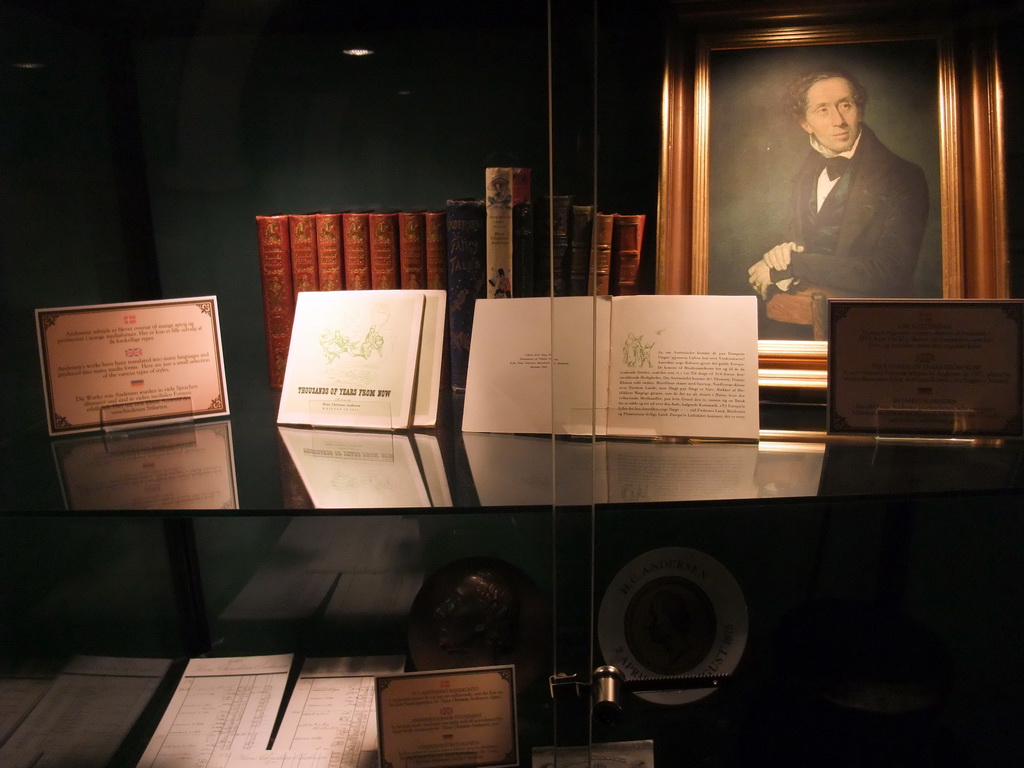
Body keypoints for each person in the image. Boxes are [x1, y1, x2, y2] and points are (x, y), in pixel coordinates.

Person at [747, 66, 929, 314]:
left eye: (845, 105)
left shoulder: (904, 176)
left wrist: (791, 266)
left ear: (860, 110)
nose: (838, 121)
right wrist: (782, 254)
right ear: (805, 124)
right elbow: (798, 239)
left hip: (872, 320)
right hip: (807, 314)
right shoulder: (804, 174)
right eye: (823, 110)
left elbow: (889, 271)